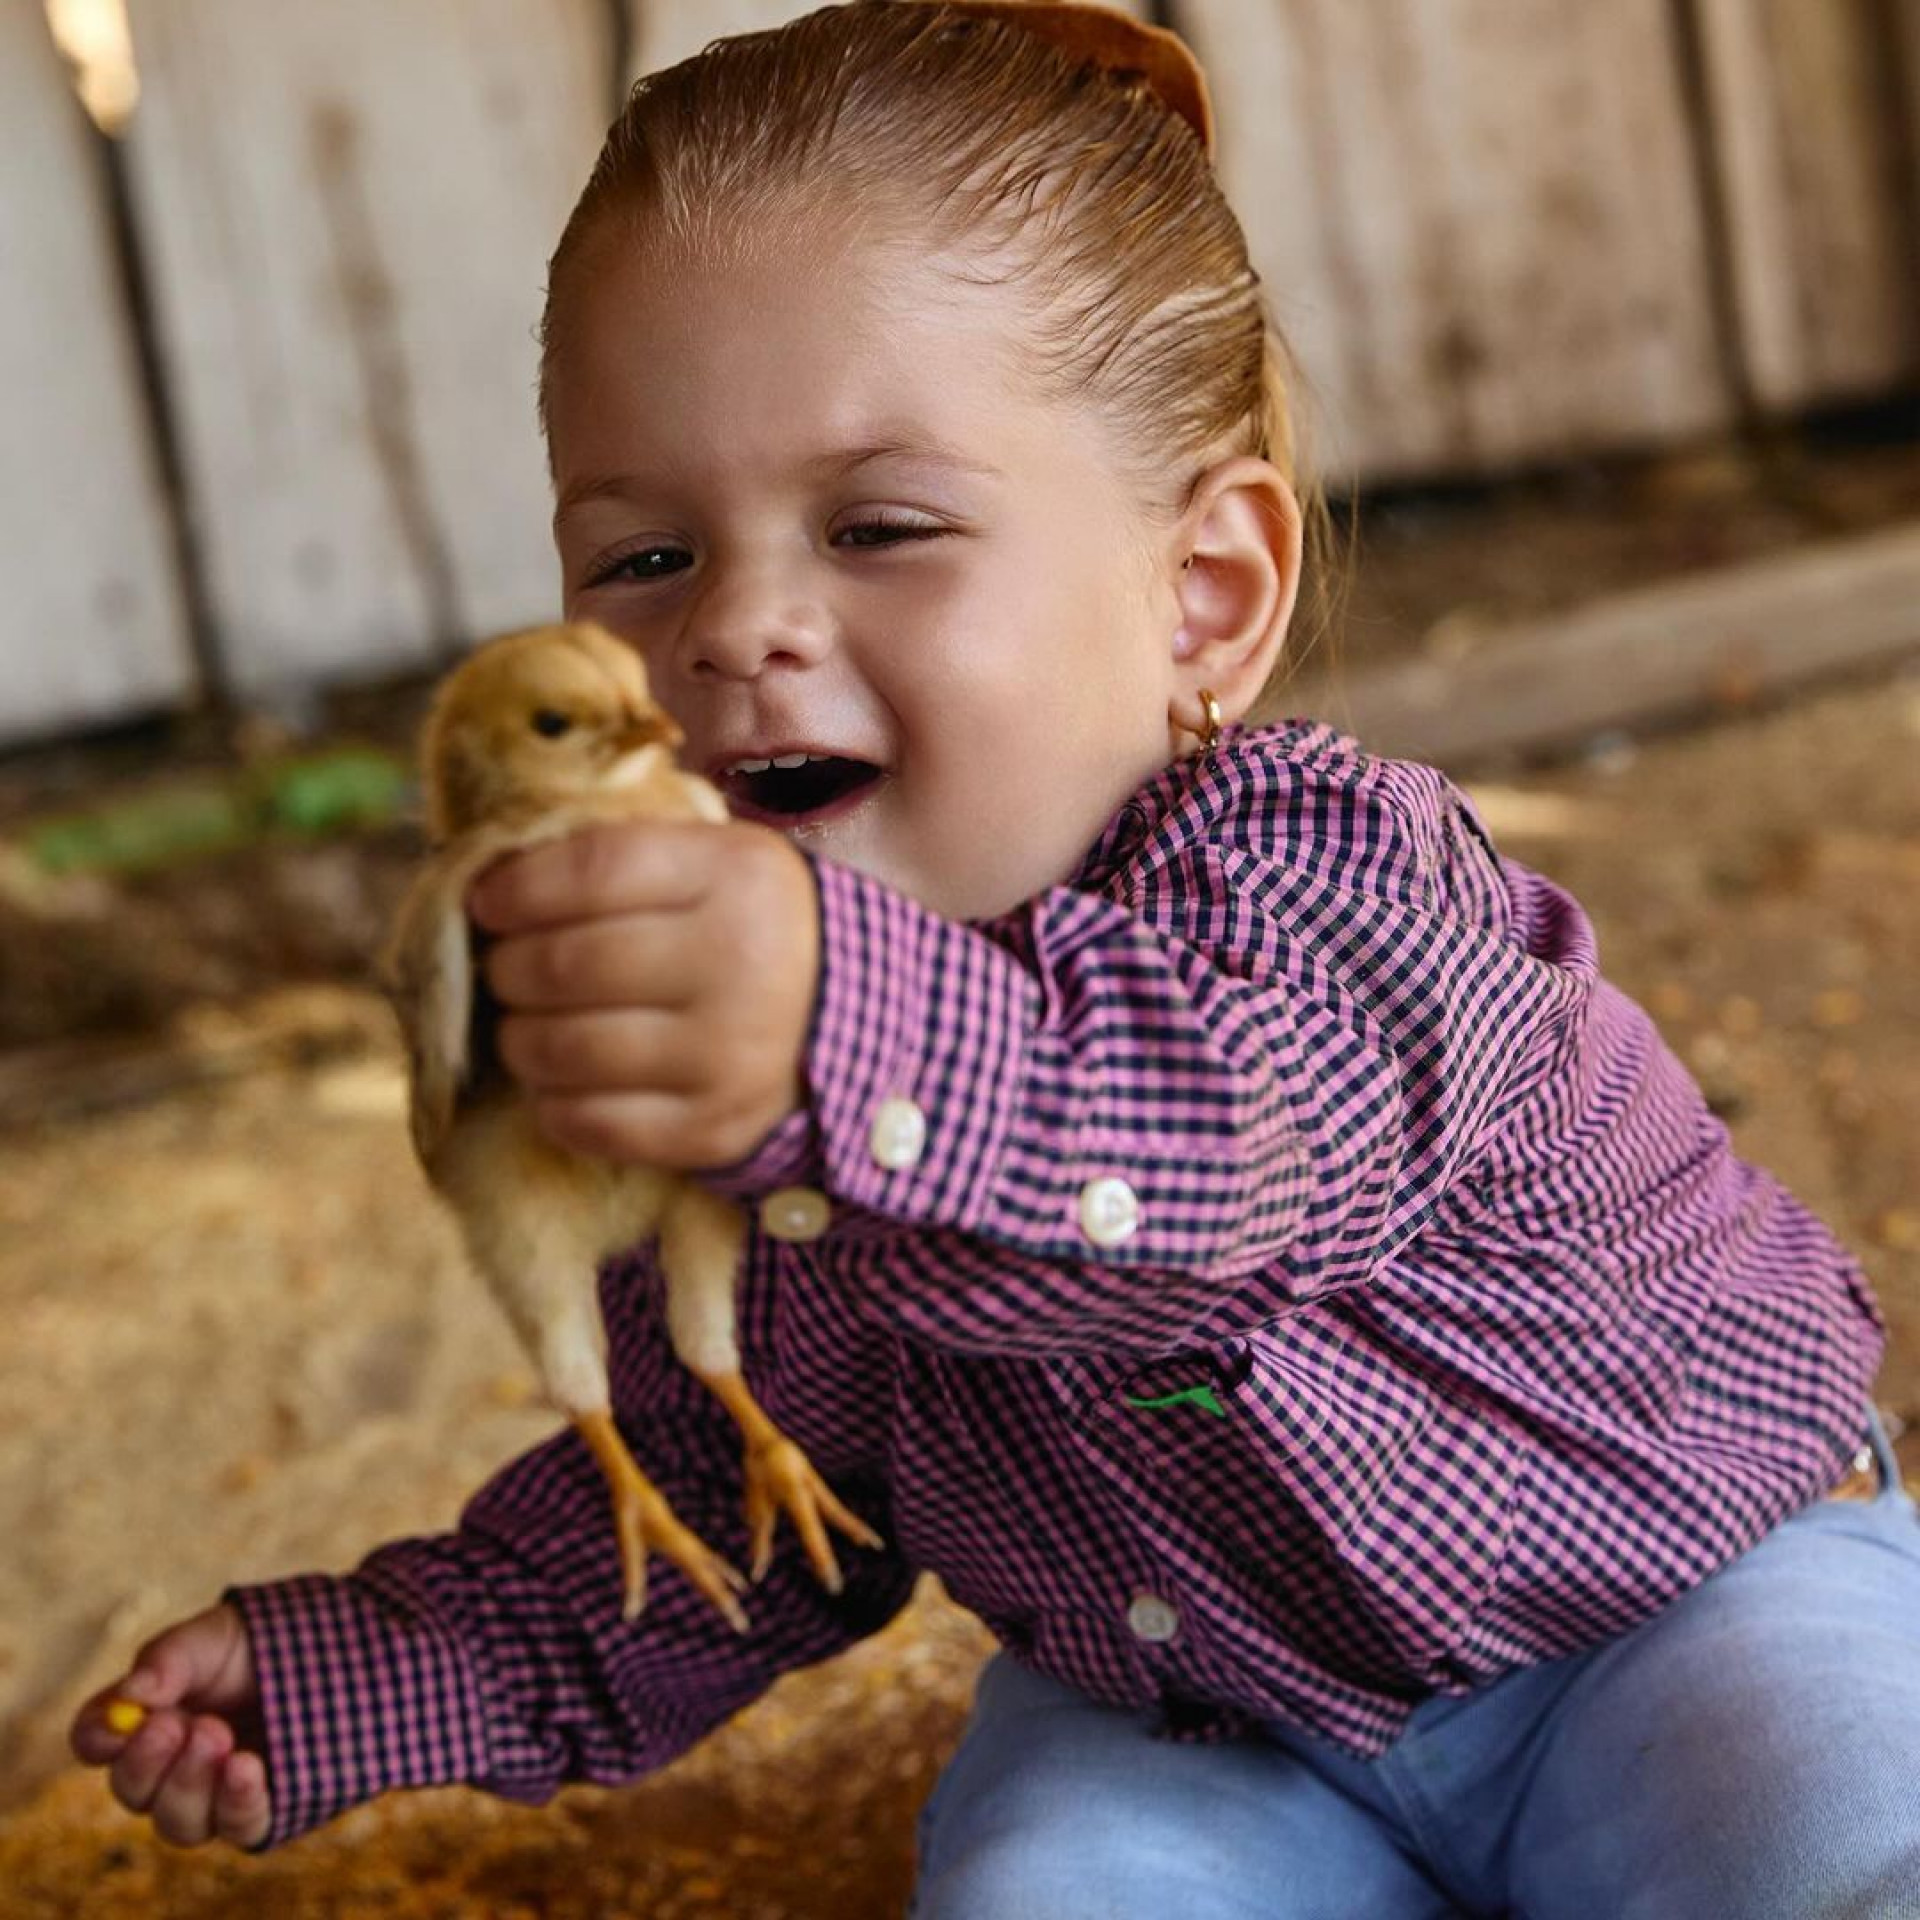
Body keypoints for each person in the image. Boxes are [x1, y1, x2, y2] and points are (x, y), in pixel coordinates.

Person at [70, 4, 1920, 1912]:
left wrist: (821, 1030)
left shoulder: (1342, 882)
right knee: (1049, 1885)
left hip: (1679, 1602)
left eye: (879, 526)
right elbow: (724, 1503)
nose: (738, 628)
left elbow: (1208, 1149)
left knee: (1837, 1836)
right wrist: (364, 1672)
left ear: (1205, 600)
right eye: (642, 559)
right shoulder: (743, 1113)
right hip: (1205, 1720)